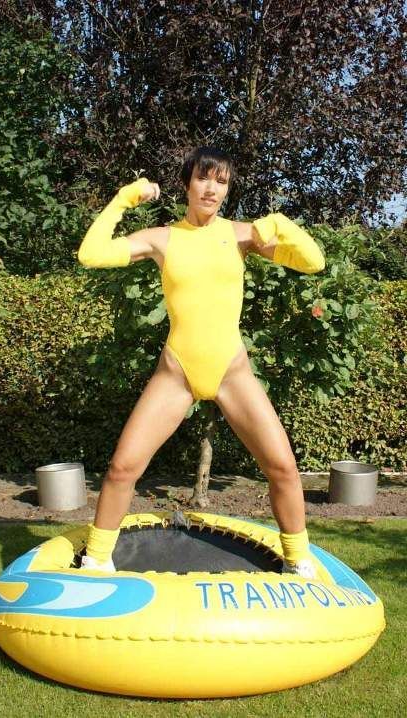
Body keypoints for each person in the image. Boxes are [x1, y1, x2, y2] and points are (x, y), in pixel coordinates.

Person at [75, 146, 325, 577]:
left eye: (221, 182)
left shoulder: (243, 235)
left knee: (283, 467)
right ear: (187, 183)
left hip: (232, 371)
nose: (212, 189)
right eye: (203, 178)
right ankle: (96, 559)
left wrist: (281, 224)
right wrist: (124, 198)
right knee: (122, 468)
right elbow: (90, 254)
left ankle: (298, 561)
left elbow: (314, 262)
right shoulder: (162, 238)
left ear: (227, 190)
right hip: (177, 373)